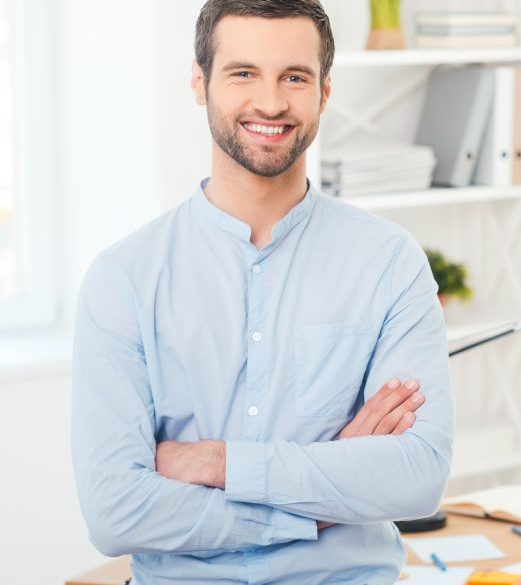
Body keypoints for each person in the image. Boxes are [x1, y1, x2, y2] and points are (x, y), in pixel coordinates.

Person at [70, 1, 453, 583]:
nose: (270, 102)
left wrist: (216, 463)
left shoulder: (389, 263)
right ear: (200, 84)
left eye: (294, 77)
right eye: (243, 73)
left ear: (324, 91)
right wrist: (316, 509)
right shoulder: (123, 278)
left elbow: (418, 474)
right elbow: (116, 513)